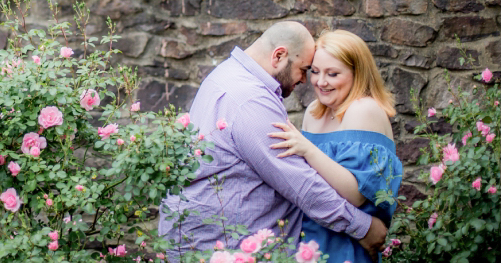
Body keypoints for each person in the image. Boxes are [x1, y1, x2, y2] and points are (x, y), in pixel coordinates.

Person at [158, 22, 388, 262]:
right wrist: (363, 227)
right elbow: (299, 182)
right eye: (304, 69)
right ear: (279, 55)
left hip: (203, 240)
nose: (305, 80)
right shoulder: (250, 100)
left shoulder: (227, 73)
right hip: (225, 247)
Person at [268, 29, 402, 263]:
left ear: (357, 73)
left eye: (333, 74)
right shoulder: (314, 111)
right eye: (315, 72)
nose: (321, 82)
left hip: (346, 246)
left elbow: (356, 194)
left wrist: (308, 149)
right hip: (309, 240)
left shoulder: (364, 110)